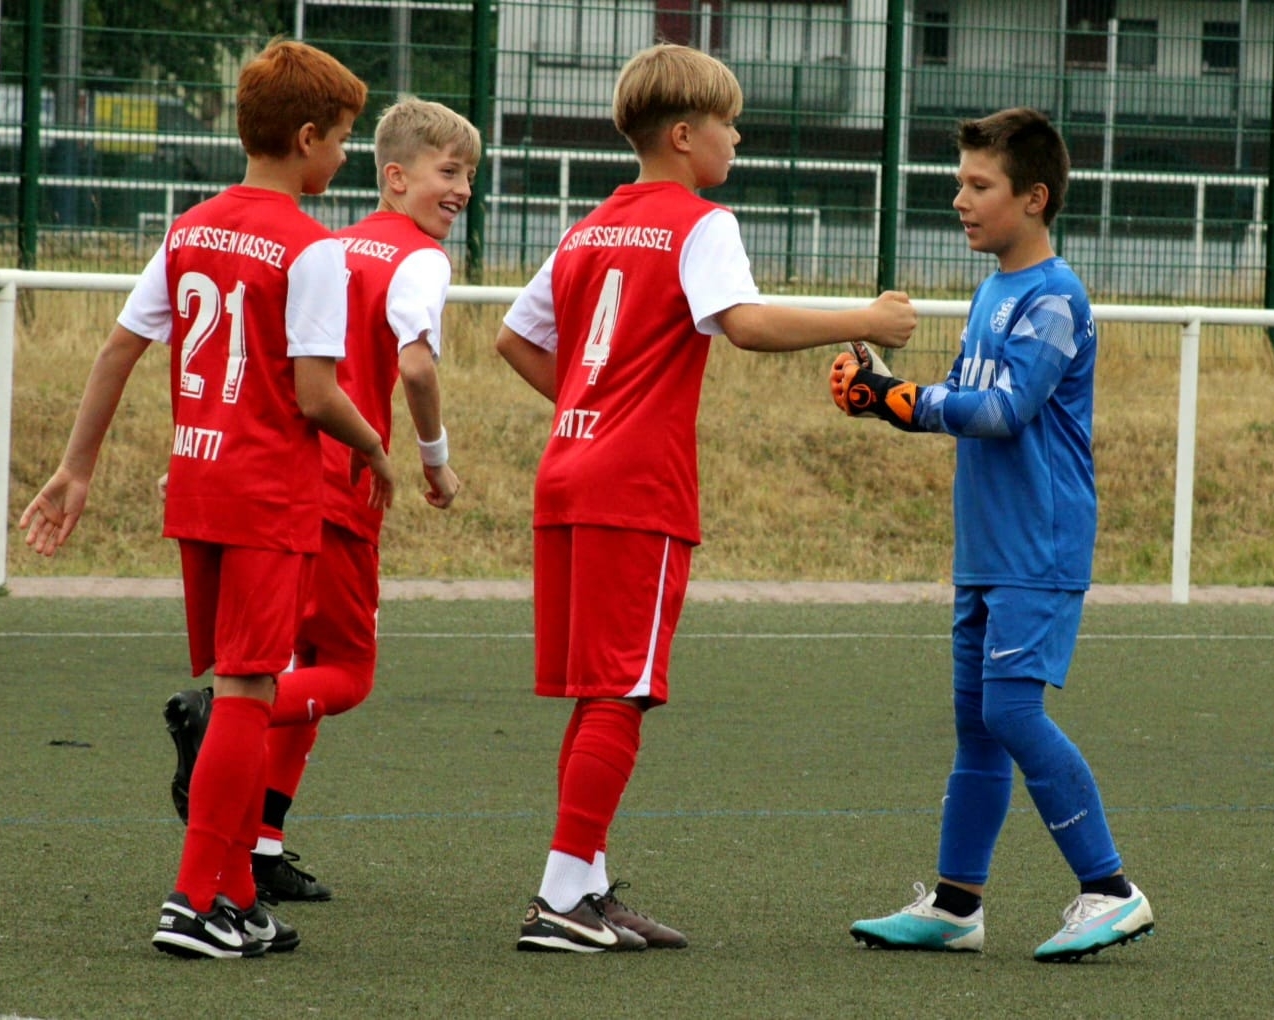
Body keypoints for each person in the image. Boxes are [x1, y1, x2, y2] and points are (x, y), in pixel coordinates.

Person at [494, 42, 917, 953]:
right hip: (633, 486)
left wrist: (589, 406)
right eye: (729, 124)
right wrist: (866, 319)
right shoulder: (701, 222)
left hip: (568, 473)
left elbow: (513, 338)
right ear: (684, 135)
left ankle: (585, 887)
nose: (737, 139)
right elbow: (745, 324)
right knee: (624, 690)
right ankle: (560, 898)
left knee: (601, 690)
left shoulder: (588, 226)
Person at [19, 39, 392, 959]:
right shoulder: (312, 247)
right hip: (267, 492)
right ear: (307, 138)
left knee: (238, 686)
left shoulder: (191, 227)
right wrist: (374, 447)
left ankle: (236, 897)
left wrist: (76, 467)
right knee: (247, 693)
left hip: (197, 480)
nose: (346, 154)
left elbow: (119, 347)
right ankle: (193, 902)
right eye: (344, 137)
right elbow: (315, 394)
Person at [831, 107, 1154, 962]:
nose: (960, 199)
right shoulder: (992, 291)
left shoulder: (1055, 297)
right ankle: (956, 905)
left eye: (981, 185)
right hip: (986, 546)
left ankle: (1111, 889)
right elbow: (960, 396)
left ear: (1034, 198)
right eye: (961, 183)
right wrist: (886, 395)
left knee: (1011, 710)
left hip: (1039, 546)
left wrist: (903, 401)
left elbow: (1007, 410)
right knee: (978, 723)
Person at [163, 97, 478, 903]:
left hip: (280, 475)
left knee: (300, 660)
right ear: (395, 177)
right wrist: (434, 461)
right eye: (449, 171)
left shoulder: (333, 244)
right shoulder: (420, 259)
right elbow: (416, 366)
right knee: (346, 674)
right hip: (339, 486)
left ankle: (260, 844)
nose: (463, 189)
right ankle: (220, 717)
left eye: (471, 176)